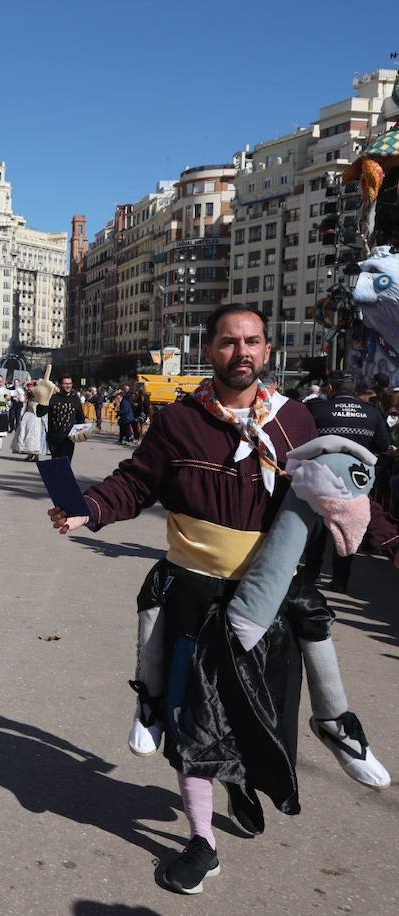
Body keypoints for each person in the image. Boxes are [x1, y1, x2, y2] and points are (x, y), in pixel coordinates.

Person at [48, 303, 390, 895]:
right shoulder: (180, 421)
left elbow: (342, 492)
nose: (243, 352)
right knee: (191, 720)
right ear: (209, 351)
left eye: (253, 341)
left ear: (268, 350)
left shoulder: (296, 425)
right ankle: (202, 841)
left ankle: (250, 773)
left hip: (271, 602)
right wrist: (90, 509)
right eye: (230, 342)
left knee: (262, 716)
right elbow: (137, 481)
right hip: (195, 597)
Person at [301, 374, 393, 593]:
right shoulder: (372, 412)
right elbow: (382, 444)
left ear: (331, 388)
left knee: (319, 528)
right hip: (357, 479)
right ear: (354, 391)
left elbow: (303, 440)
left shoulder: (317, 410)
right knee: (348, 529)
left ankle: (311, 575)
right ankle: (340, 580)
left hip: (322, 475)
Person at [42, 374, 84, 463]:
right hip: (54, 438)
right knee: (56, 463)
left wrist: (78, 434)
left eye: (69, 383)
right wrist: (42, 399)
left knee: (66, 464)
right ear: (60, 384)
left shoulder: (75, 399)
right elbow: (40, 413)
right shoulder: (53, 398)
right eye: (65, 383)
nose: (68, 386)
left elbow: (81, 418)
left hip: (68, 439)